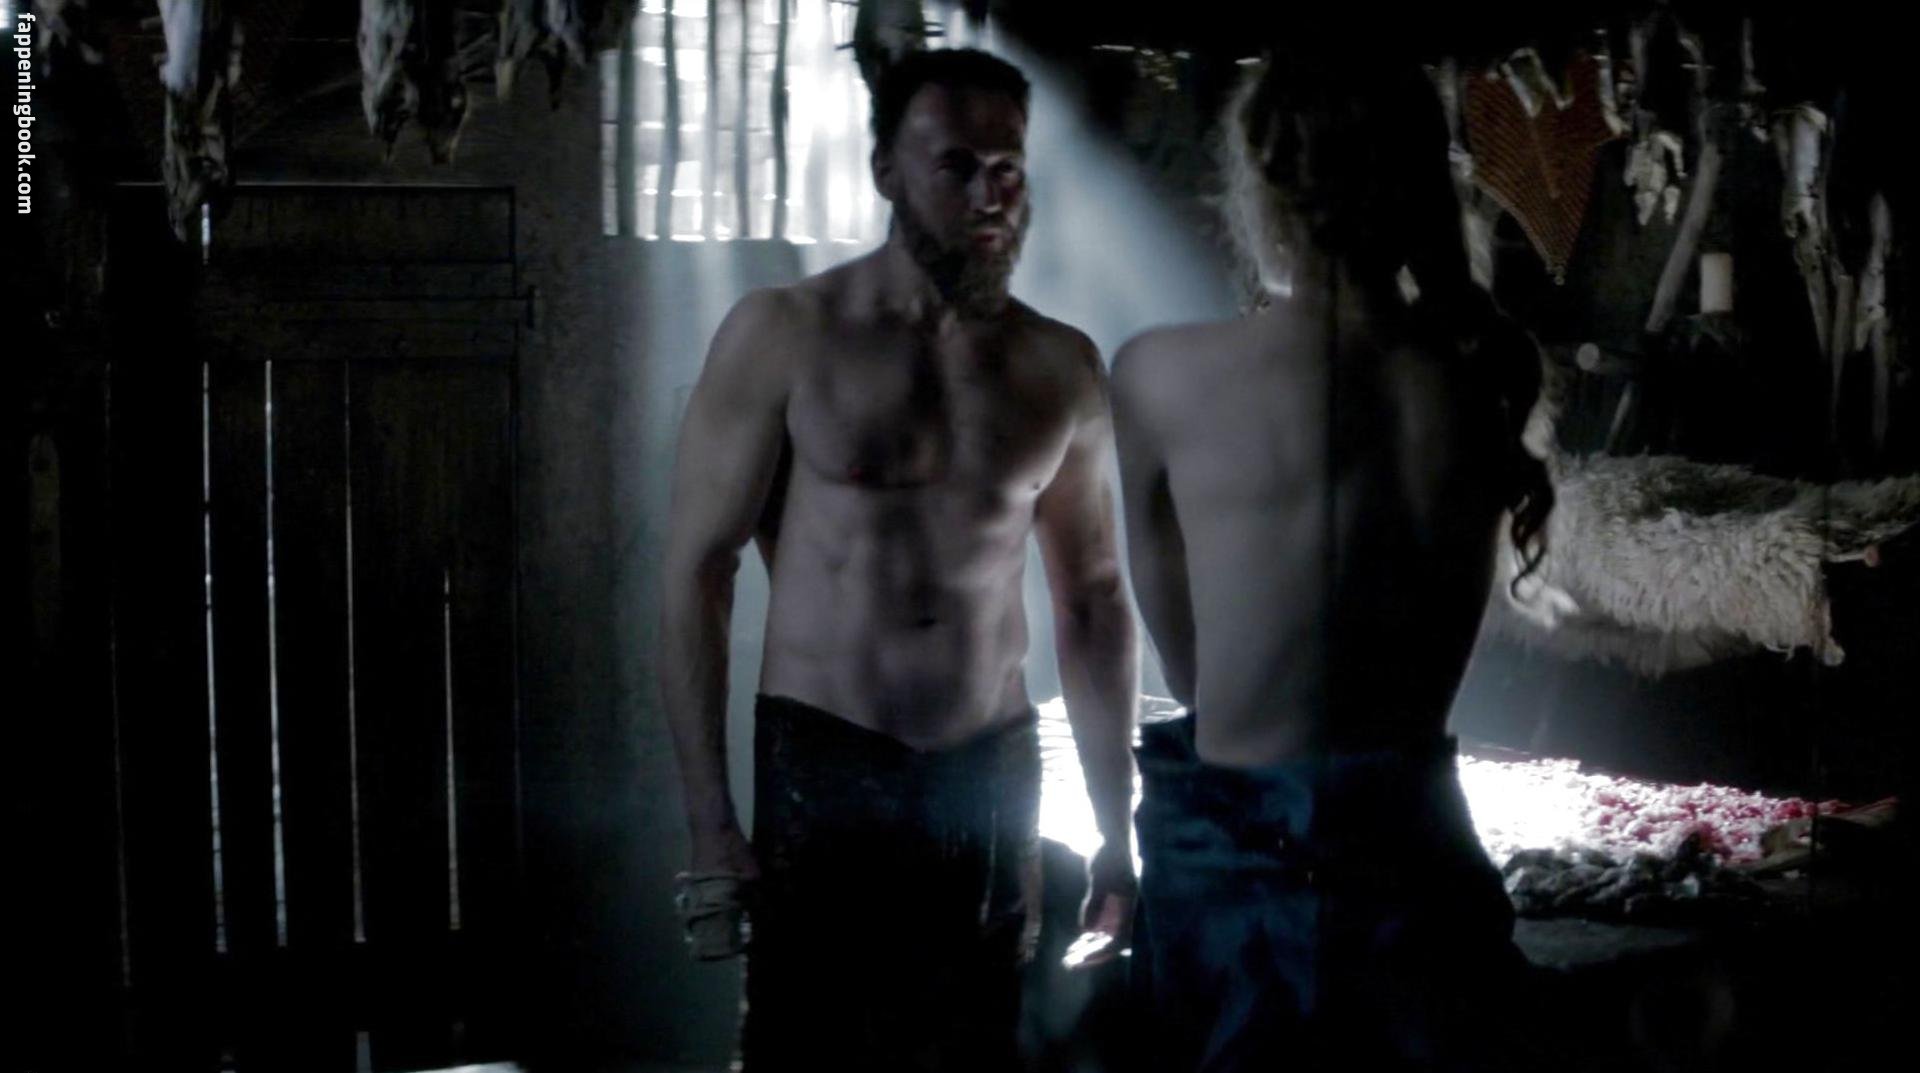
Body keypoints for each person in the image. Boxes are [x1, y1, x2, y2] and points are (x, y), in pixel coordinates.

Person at [659, 47, 1139, 1072]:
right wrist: (710, 823)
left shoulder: (1060, 365)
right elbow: (698, 574)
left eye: (1007, 170)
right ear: (886, 170)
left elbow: (1095, 602)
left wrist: (1115, 826)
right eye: (955, 166)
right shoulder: (785, 333)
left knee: (974, 1049)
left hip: (987, 765)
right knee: (807, 1050)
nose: (988, 196)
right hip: (828, 759)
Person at [1110, 54, 1553, 1073]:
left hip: (1239, 852)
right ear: (1420, 185)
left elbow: (1189, 673)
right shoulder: (1476, 381)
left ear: (1261, 187)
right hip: (1412, 844)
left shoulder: (1161, 375)